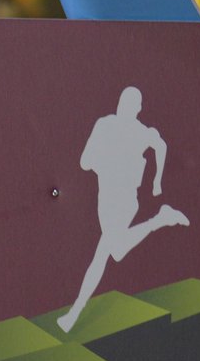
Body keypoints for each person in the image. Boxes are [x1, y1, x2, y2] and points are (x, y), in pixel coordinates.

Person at [57, 86, 189, 333]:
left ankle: (74, 313)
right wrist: (105, 163)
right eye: (122, 103)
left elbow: (161, 146)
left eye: (130, 105)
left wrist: (157, 181)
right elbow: (85, 161)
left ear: (138, 109)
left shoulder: (143, 132)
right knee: (106, 252)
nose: (124, 108)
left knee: (111, 251)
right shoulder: (104, 125)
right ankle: (160, 219)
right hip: (105, 198)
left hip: (126, 201)